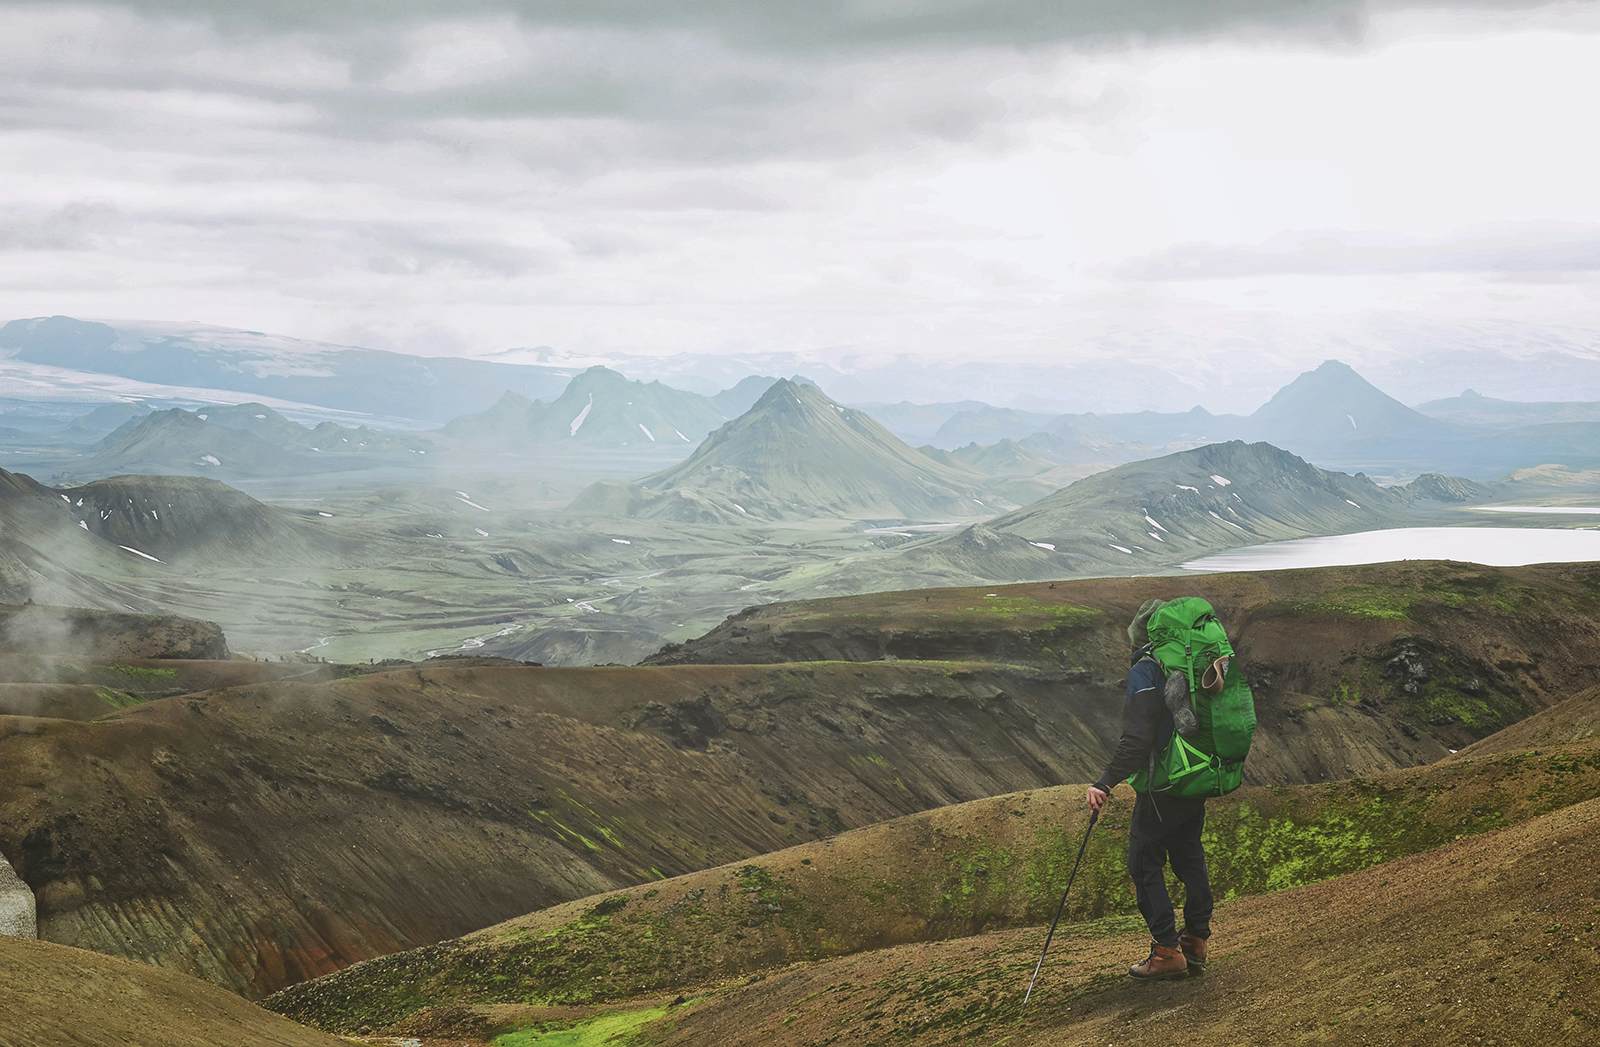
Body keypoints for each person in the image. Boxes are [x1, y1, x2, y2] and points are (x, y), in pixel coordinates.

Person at [1085, 598, 1213, 980]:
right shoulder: (1188, 663)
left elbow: (1137, 740)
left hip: (1162, 788)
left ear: (1140, 637)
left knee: (1143, 864)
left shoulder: (1145, 671)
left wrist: (1105, 781)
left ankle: (1166, 951)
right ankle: (1196, 940)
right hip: (1195, 777)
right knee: (1189, 856)